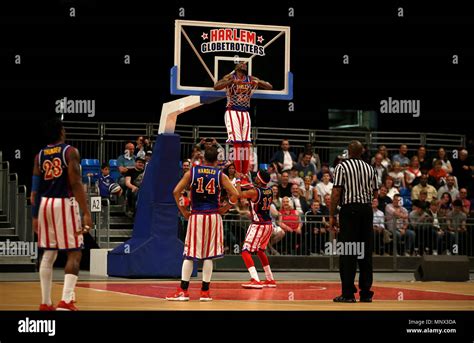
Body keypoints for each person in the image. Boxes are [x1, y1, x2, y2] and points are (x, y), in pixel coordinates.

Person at [31, 118, 92, 311]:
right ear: (61, 131)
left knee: (49, 253)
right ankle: (66, 301)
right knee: (74, 252)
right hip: (63, 203)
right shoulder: (69, 151)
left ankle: (45, 303)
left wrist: (34, 217)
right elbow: (75, 183)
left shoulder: (39, 155)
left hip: (44, 205)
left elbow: (34, 191)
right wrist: (86, 212)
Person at [167, 147, 238, 301]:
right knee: (208, 255)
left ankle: (183, 291)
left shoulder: (192, 172)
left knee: (190, 254)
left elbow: (175, 191)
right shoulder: (220, 175)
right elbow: (235, 194)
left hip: (197, 215)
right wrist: (225, 208)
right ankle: (205, 292)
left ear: (203, 158)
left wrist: (183, 211)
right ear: (217, 160)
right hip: (213, 216)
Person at [330, 140, 378, 303]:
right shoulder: (370, 168)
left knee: (348, 253)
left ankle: (348, 293)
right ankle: (365, 293)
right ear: (362, 151)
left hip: (349, 210)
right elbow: (375, 193)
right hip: (366, 210)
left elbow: (336, 192)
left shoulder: (342, 167)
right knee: (365, 253)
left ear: (348, 152)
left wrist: (331, 215)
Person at [214, 62, 272, 188]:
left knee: (246, 143)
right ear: (236, 67)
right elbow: (216, 86)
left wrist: (259, 83)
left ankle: (245, 174)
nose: (244, 65)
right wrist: (230, 83)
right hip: (232, 111)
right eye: (241, 64)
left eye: (245, 64)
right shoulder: (230, 77)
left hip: (245, 112)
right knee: (237, 143)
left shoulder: (250, 79)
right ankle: (238, 174)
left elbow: (269, 86)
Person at [239, 170, 277, 289]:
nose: (255, 178)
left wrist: (239, 180)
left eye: (257, 177)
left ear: (259, 180)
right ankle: (270, 278)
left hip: (258, 224)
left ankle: (255, 279)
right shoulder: (270, 190)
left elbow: (238, 194)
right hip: (269, 225)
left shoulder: (255, 192)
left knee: (245, 251)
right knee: (260, 251)